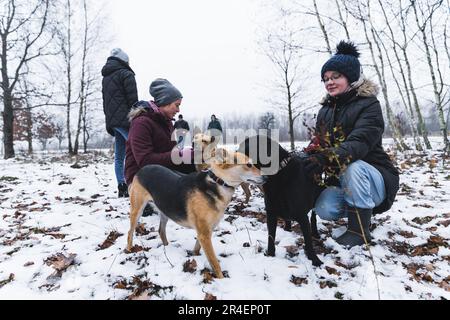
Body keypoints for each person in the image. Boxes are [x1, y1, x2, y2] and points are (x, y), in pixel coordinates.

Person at [302, 41, 400, 247]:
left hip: (375, 177)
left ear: (351, 77)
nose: (329, 82)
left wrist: (325, 158)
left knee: (352, 164)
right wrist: (307, 156)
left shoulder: (369, 104)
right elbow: (319, 142)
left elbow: (359, 144)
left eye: (335, 76)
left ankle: (359, 231)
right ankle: (361, 210)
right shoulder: (326, 110)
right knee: (324, 209)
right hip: (345, 180)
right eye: (326, 79)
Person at [125, 78, 195, 215]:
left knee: (195, 168)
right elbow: (145, 160)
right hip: (141, 177)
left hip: (162, 170)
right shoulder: (141, 123)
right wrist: (180, 155)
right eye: (176, 105)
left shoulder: (166, 122)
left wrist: (193, 155)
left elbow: (171, 153)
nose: (178, 109)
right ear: (165, 102)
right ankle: (145, 199)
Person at [102, 48, 138, 198]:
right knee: (137, 150)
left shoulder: (106, 77)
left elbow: (105, 102)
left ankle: (121, 185)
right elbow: (133, 100)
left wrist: (110, 120)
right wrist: (137, 117)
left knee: (119, 155)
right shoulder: (126, 74)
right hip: (126, 119)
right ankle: (138, 186)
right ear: (125, 61)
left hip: (113, 121)